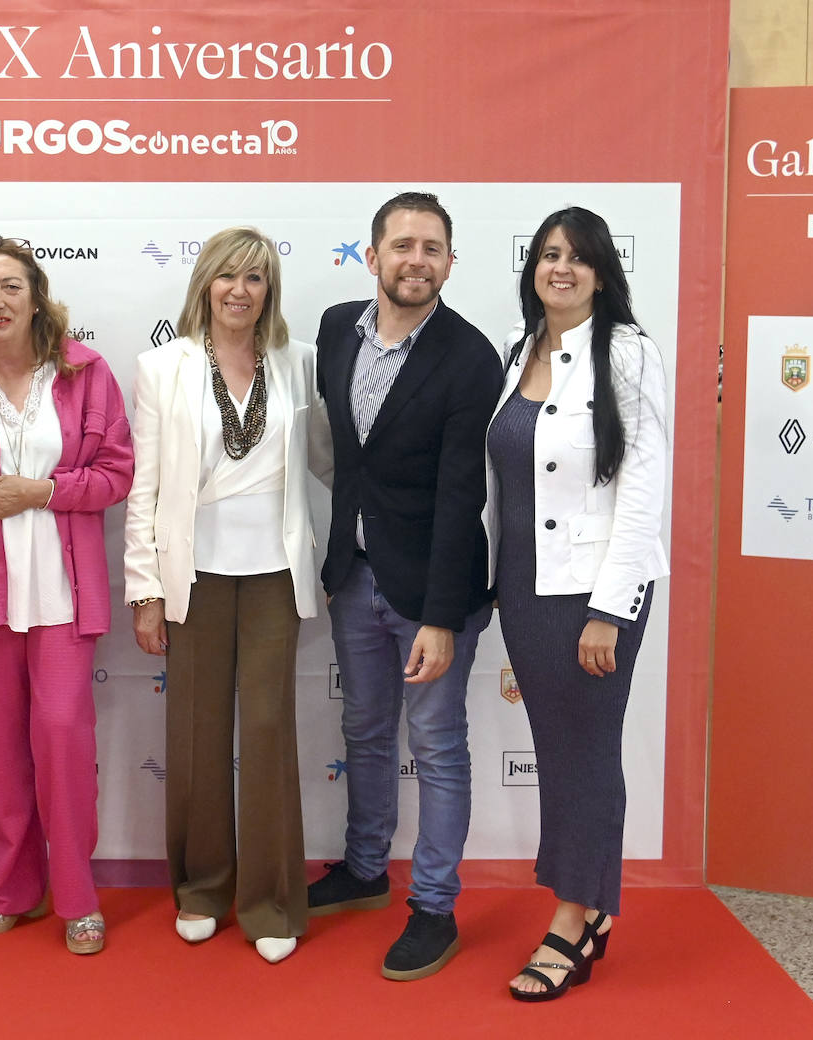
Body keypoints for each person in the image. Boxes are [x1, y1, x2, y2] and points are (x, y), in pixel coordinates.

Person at [123, 226, 332, 964]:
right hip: (195, 575)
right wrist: (146, 590)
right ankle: (203, 888)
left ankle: (271, 901)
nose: (240, 291)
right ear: (205, 284)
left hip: (275, 573)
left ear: (270, 290)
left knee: (270, 733)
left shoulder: (298, 364)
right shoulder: (163, 369)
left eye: (255, 278)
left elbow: (328, 464)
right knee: (196, 734)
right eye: (227, 277)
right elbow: (145, 488)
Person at [309, 192, 502, 980]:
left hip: (433, 592)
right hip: (354, 577)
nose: (415, 259)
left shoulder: (471, 357)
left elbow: (464, 495)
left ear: (450, 263)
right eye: (402, 245)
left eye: (432, 248)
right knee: (362, 728)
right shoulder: (332, 328)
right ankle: (363, 870)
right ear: (373, 255)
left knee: (438, 745)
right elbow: (341, 454)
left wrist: (442, 614)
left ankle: (433, 908)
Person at [0, 236, 132, 956]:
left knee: (64, 745)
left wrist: (40, 492)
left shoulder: (85, 372)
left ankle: (77, 894)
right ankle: (13, 885)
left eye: (10, 285)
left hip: (63, 601)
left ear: (37, 296)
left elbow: (116, 474)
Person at [486, 208, 668, 1001]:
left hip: (593, 591)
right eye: (549, 255)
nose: (561, 268)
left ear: (603, 273)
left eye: (579, 258)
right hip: (524, 586)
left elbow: (643, 488)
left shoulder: (626, 353)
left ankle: (573, 916)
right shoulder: (517, 350)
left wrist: (611, 608)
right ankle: (589, 901)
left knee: (587, 753)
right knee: (561, 753)